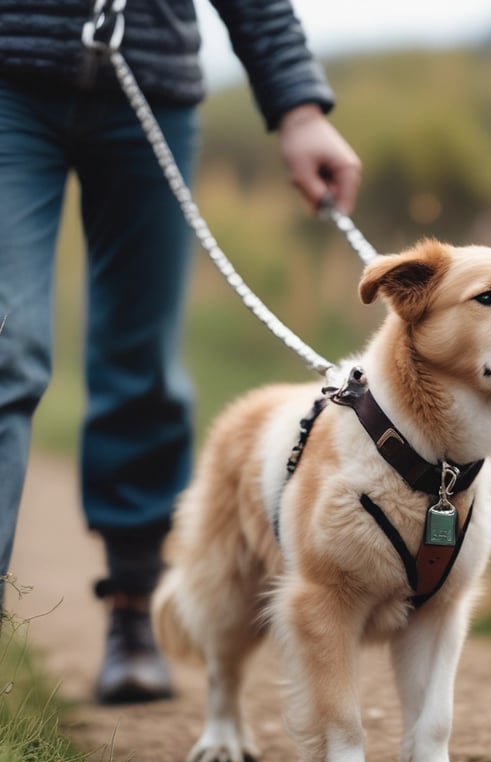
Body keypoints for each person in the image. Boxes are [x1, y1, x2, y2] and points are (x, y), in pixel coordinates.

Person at [0, 0, 361, 703]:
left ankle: (133, 608)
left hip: (150, 86)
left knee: (142, 364)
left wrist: (298, 107)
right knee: (5, 347)